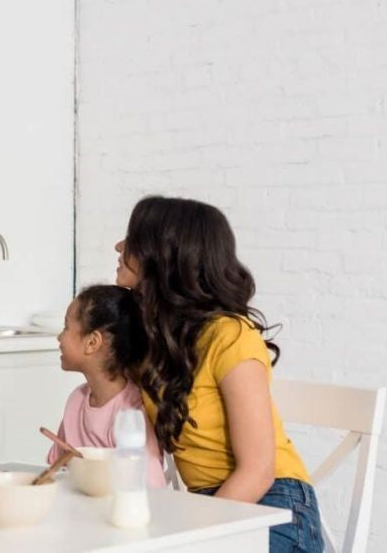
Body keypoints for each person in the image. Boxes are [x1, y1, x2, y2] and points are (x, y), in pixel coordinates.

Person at [115, 195, 323, 551]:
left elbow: (257, 471)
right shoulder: (155, 340)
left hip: (270, 503)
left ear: (165, 256)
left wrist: (199, 537)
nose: (119, 246)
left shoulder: (230, 335)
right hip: (206, 506)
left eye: (133, 239)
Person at [47, 284, 166, 488]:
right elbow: (56, 469)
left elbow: (152, 489)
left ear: (92, 342)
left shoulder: (131, 413)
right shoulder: (76, 400)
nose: (59, 337)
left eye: (66, 327)